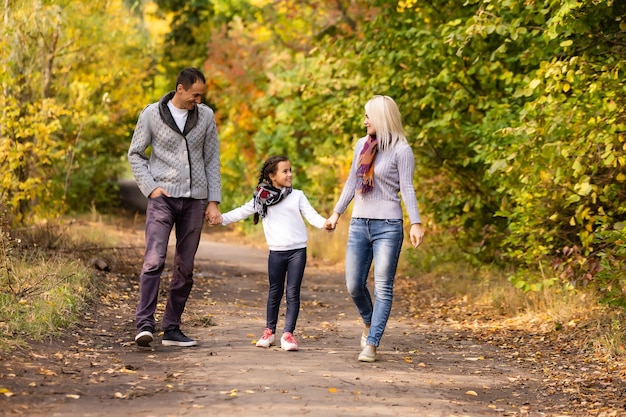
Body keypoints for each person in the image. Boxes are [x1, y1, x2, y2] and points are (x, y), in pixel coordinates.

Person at [325, 95, 424, 362]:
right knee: (354, 284)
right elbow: (350, 183)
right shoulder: (362, 145)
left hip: (389, 226)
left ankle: (372, 343)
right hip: (359, 223)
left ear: (382, 118)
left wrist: (415, 223)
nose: (365, 120)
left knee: (383, 287)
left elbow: (408, 189)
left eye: (368, 116)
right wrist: (336, 214)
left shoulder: (402, 150)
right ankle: (369, 321)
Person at [128, 67, 222, 348]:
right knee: (154, 259)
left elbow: (212, 159)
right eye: (195, 95)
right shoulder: (152, 114)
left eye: (201, 95)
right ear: (180, 89)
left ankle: (172, 328)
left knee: (186, 267)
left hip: (195, 201)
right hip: (162, 200)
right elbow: (135, 153)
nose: (199, 100)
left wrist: (213, 201)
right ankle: (144, 324)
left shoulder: (205, 116)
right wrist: (151, 188)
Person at [213, 155, 327, 351]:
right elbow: (242, 211)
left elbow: (312, 215)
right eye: (285, 171)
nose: (290, 174)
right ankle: (269, 332)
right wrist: (221, 218)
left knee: (292, 292)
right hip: (276, 253)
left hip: (297, 251)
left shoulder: (297, 195)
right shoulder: (261, 198)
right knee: (274, 292)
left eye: (290, 170)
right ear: (272, 176)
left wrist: (326, 224)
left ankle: (288, 335)